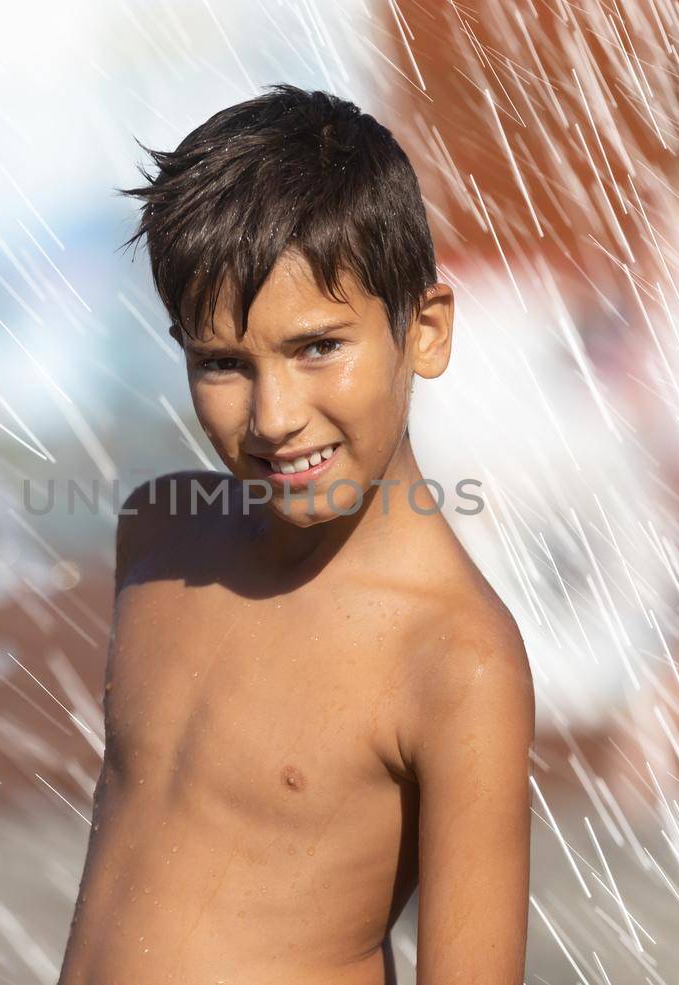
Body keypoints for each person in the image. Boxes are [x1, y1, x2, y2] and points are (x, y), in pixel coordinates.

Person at [55, 84, 534, 985]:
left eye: (318, 347)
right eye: (224, 363)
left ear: (424, 332)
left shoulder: (454, 658)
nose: (274, 417)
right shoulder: (159, 537)